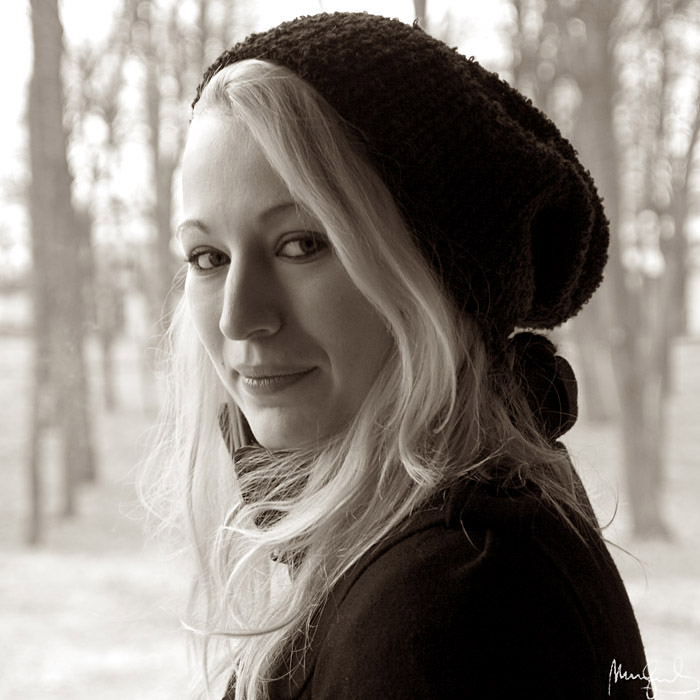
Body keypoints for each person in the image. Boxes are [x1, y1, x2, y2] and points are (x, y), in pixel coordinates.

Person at [142, 12, 650, 700]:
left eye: (302, 244)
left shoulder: (454, 604)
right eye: (208, 257)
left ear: (432, 276)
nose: (238, 316)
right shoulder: (416, 547)